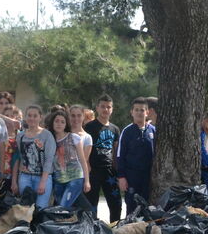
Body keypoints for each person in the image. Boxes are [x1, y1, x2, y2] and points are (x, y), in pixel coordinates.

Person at [84, 94, 122, 222]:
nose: (105, 109)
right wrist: (87, 167)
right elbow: (84, 149)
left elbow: (116, 151)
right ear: (97, 108)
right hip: (93, 170)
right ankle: (93, 231)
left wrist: (118, 171)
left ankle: (115, 230)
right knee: (91, 204)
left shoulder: (115, 129)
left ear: (112, 109)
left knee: (116, 204)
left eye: (108, 107)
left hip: (109, 172)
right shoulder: (89, 127)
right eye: (103, 107)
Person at [117, 97, 156, 214]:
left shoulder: (153, 130)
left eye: (142, 110)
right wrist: (121, 177)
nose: (139, 113)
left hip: (148, 177)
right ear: (132, 112)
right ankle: (130, 230)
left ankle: (143, 231)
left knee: (146, 207)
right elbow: (120, 155)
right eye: (137, 110)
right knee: (132, 207)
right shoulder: (127, 131)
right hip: (131, 176)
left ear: (147, 112)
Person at [11, 104, 56, 206]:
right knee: (26, 209)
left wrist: (43, 182)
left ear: (40, 117)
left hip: (42, 177)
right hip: (25, 177)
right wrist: (14, 181)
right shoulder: (20, 136)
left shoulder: (47, 135)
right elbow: (17, 158)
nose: (32, 118)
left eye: (35, 116)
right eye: (29, 115)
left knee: (40, 208)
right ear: (25, 117)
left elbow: (49, 160)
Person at [47, 108, 90, 208]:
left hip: (75, 178)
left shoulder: (74, 137)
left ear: (66, 124)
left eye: (62, 122)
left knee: (63, 206)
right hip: (58, 180)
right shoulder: (49, 139)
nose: (59, 124)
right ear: (52, 123)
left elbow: (83, 160)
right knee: (65, 207)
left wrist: (87, 181)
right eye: (57, 121)